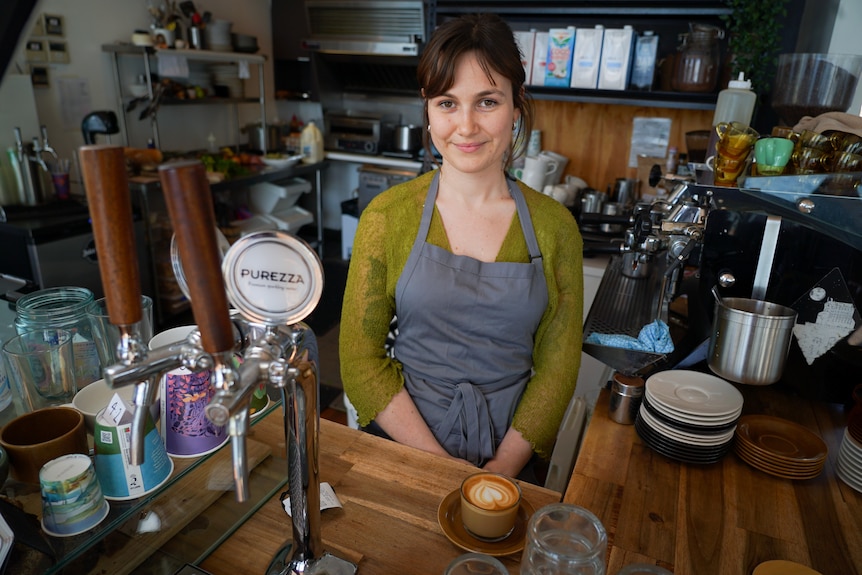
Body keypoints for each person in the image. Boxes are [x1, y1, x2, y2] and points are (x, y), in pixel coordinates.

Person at [339, 13, 583, 480]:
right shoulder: (387, 217)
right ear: (428, 110)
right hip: (401, 448)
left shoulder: (555, 229)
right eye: (448, 103)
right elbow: (359, 359)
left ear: (516, 107)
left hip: (512, 460)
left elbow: (557, 372)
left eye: (487, 101)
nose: (466, 126)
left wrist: (499, 470)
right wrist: (439, 466)